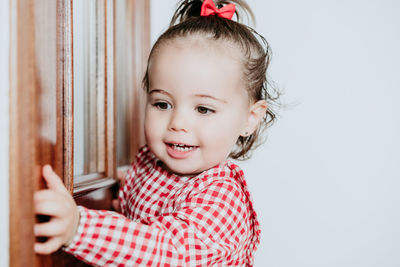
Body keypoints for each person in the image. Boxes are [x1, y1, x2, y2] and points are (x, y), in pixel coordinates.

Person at [34, 0, 279, 265]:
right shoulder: (150, 164)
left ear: (250, 119)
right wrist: (122, 192)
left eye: (204, 109)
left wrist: (79, 228)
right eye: (162, 104)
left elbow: (166, 252)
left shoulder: (221, 198)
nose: (178, 123)